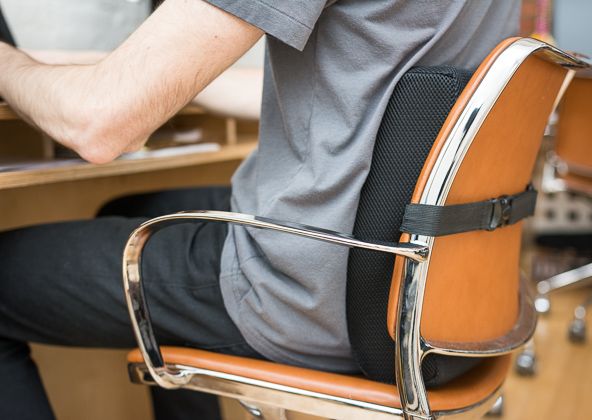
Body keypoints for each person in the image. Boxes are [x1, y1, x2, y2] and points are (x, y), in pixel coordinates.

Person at [0, 0, 521, 419]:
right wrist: (162, 82)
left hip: (317, 292)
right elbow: (360, 93)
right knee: (133, 209)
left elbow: (96, 124)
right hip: (425, 290)